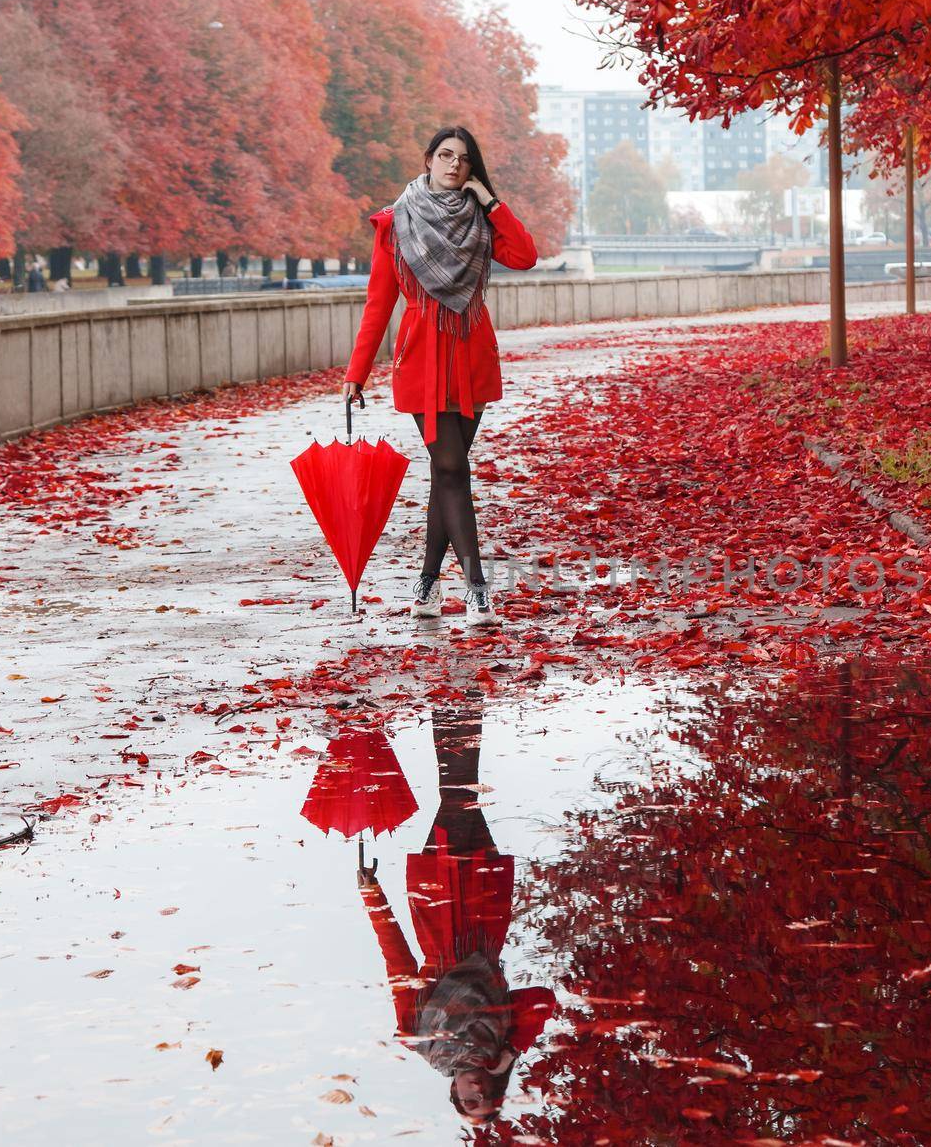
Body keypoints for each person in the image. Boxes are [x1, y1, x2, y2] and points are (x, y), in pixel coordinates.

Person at [342, 126, 539, 627]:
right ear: (428, 159)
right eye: (445, 156)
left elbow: (525, 256)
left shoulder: (480, 219)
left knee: (445, 476)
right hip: (421, 359)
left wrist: (491, 202)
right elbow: (378, 302)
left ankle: (427, 587)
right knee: (453, 469)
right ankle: (477, 589)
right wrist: (356, 372)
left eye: (464, 160)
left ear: (472, 170)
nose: (454, 165)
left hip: (472, 356)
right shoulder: (395, 223)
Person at [357, 695, 555, 1124]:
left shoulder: (418, 1035)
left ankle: (456, 697)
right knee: (464, 791)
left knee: (457, 794)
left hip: (439, 905)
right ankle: (456, 698)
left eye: (469, 1101)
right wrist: (510, 1052)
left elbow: (398, 962)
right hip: (485, 909)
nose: (477, 1090)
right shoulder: (502, 1039)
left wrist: (373, 895)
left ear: (453, 1093)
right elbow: (542, 1000)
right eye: (488, 1097)